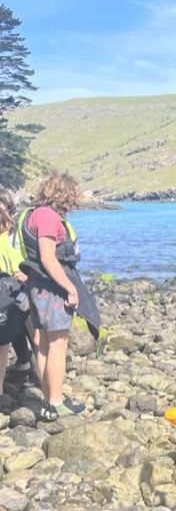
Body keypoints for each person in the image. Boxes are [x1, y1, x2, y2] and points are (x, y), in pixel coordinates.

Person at [17, 172, 100, 421]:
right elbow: (48, 258)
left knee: (43, 343)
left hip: (37, 287)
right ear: (65, 195)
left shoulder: (33, 213)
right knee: (58, 344)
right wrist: (71, 289)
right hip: (50, 288)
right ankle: (55, 402)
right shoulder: (48, 216)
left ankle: (48, 401)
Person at [0, 191, 31, 394]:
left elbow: (35, 257)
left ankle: (30, 369)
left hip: (22, 286)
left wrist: (27, 273)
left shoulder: (17, 233)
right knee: (7, 331)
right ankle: (23, 367)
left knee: (27, 329)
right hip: (3, 287)